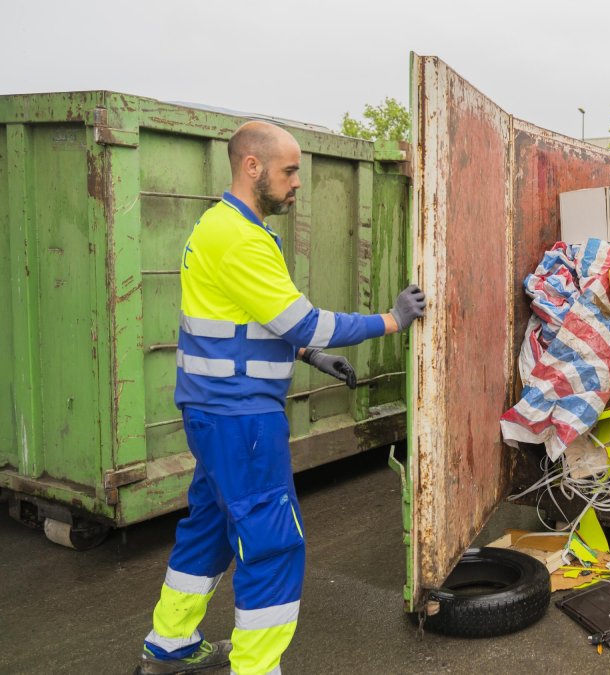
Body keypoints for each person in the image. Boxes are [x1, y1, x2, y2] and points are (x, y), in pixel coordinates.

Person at [135, 120, 425, 675]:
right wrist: (391, 320)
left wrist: (310, 358)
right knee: (272, 541)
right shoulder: (240, 238)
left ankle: (169, 645)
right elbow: (306, 321)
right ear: (252, 167)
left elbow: (243, 325)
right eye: (289, 171)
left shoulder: (223, 226)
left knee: (211, 528)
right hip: (241, 416)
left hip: (215, 411)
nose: (297, 183)